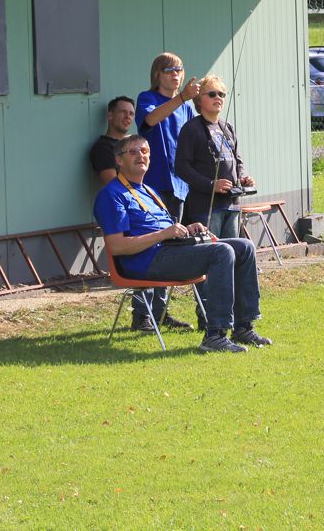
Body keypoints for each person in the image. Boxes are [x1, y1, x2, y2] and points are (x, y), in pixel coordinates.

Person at [94, 135, 270, 353]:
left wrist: (187, 228)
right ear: (119, 160)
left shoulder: (148, 190)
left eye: (145, 151)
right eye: (133, 152)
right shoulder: (111, 195)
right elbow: (117, 246)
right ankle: (215, 335)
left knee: (244, 246)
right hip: (145, 261)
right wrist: (163, 234)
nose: (141, 155)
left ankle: (243, 327)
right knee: (222, 251)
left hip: (170, 250)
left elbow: (166, 229)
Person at [132, 52, 200, 331]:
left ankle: (160, 313)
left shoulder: (187, 107)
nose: (175, 75)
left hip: (179, 186)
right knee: (149, 246)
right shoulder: (147, 98)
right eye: (170, 70)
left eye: (179, 70)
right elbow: (150, 120)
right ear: (157, 75)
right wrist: (182, 98)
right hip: (152, 186)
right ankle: (141, 314)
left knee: (170, 249)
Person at [175, 75, 253, 239]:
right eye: (212, 94)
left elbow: (237, 161)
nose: (218, 97)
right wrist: (211, 185)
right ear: (199, 100)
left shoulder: (227, 127)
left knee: (233, 249)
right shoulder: (191, 128)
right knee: (213, 250)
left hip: (232, 204)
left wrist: (243, 178)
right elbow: (181, 168)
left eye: (221, 94)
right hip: (206, 207)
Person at [88, 96, 135, 184]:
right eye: (123, 112)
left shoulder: (134, 145)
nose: (128, 116)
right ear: (110, 115)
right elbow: (113, 185)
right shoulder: (103, 147)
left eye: (131, 114)